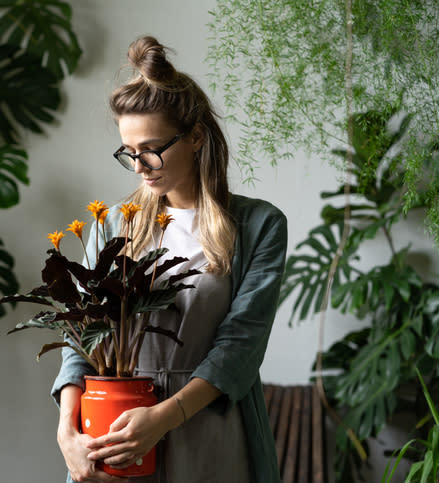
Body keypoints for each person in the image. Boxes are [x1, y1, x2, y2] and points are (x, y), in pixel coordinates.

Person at [51, 35, 287, 483]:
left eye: (152, 149)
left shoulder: (259, 226)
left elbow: (240, 348)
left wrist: (162, 418)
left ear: (196, 136)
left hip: (208, 435)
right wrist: (68, 433)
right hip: (114, 435)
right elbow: (79, 336)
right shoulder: (112, 223)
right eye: (129, 153)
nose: (140, 166)